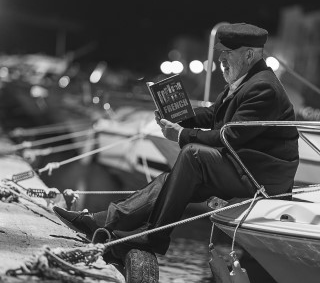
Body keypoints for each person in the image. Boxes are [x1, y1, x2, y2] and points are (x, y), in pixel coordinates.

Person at [54, 22, 299, 259]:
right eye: (220, 53)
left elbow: (228, 137)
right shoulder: (245, 81)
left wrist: (180, 134)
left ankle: (154, 237)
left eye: (227, 53)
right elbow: (215, 114)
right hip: (241, 165)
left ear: (248, 55)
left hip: (258, 177)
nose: (220, 59)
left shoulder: (263, 88)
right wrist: (176, 115)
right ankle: (101, 222)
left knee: (193, 155)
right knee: (170, 180)